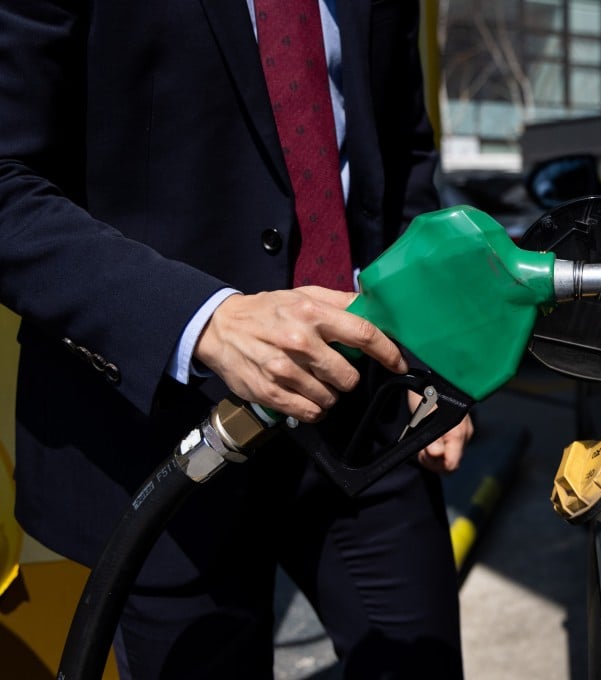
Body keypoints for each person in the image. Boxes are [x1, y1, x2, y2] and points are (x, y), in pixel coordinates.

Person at [0, 0, 472, 677]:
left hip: (368, 413)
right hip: (156, 439)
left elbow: (402, 159)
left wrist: (436, 347)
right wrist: (205, 319)